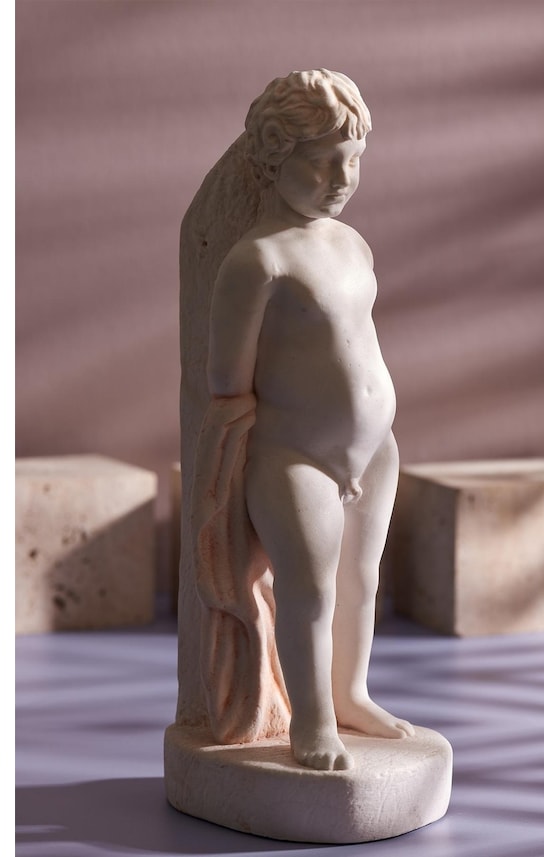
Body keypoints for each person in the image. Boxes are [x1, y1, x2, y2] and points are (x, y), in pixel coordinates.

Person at [181, 70, 414, 772]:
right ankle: (311, 717)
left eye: (354, 160)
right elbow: (227, 379)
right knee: (309, 590)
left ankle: (351, 693)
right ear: (273, 158)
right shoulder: (257, 261)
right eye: (321, 163)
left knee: (362, 579)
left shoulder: (352, 244)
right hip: (294, 454)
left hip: (373, 449)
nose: (341, 179)